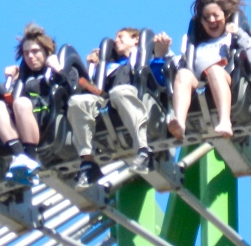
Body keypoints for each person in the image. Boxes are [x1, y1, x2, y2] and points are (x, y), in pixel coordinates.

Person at [67, 28, 172, 189]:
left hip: (141, 101)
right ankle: (88, 163)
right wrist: (92, 68)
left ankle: (144, 151)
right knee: (76, 102)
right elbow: (96, 90)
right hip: (110, 102)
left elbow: (158, 79)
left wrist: (159, 56)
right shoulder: (110, 67)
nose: (116, 41)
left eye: (121, 37)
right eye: (115, 38)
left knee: (120, 91)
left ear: (136, 39)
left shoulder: (146, 58)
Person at [167, 0, 251, 140]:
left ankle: (225, 120)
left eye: (216, 16)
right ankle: (180, 121)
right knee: (183, 74)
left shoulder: (231, 37)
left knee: (215, 71)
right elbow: (178, 64)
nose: (212, 21)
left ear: (225, 16)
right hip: (200, 83)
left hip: (228, 80)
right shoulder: (196, 46)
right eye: (206, 17)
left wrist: (239, 33)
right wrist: (164, 51)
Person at [0, 23, 72, 184]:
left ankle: (30, 156)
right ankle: (19, 156)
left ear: (46, 52)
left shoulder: (57, 69)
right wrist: (8, 82)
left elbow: (71, 92)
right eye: (26, 53)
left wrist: (58, 70)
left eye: (35, 52)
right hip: (23, 117)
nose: (30, 56)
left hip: (47, 114)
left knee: (21, 103)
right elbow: (9, 98)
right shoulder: (23, 77)